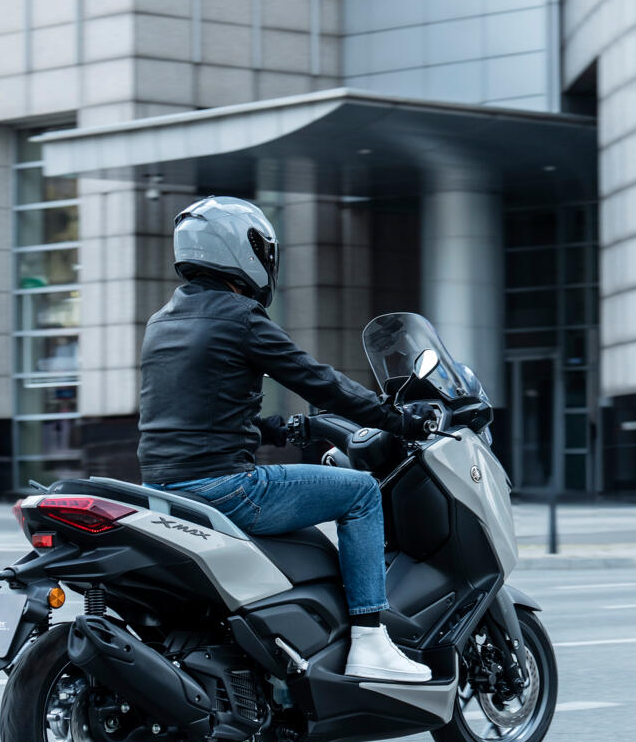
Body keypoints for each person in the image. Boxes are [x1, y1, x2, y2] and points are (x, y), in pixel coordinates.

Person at [138, 196, 433, 683]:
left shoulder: (163, 320)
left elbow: (194, 409)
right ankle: (370, 641)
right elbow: (318, 380)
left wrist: (274, 428)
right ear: (245, 249)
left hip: (163, 489)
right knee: (361, 493)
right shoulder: (239, 316)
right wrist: (397, 419)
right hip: (226, 489)